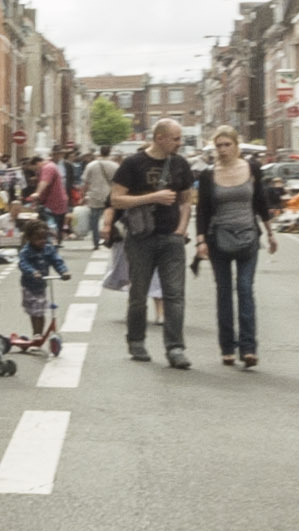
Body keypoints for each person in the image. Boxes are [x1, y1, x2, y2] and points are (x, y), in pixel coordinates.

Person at [111, 118, 196, 368]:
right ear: (160, 138)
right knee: (138, 293)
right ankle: (136, 340)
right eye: (176, 138)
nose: (180, 143)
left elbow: (186, 200)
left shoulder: (180, 164)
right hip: (140, 238)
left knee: (174, 295)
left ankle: (175, 348)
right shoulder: (133, 164)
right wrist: (153, 197)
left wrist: (181, 229)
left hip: (172, 237)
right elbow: (116, 200)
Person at [195, 126, 278, 368]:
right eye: (218, 146)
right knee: (223, 292)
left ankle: (249, 348)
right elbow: (202, 210)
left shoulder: (251, 168)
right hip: (218, 238)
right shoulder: (208, 175)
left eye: (226, 145)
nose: (222, 150)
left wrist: (271, 234)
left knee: (244, 289)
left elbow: (261, 202)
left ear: (236, 145)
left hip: (248, 236)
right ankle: (228, 348)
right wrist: (200, 240)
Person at [15, 220, 71, 339]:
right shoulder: (26, 252)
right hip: (29, 286)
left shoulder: (49, 249)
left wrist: (63, 271)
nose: (42, 241)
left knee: (40, 310)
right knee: (34, 311)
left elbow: (56, 261)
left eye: (44, 238)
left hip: (41, 286)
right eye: (38, 238)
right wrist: (33, 272)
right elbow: (23, 264)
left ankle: (38, 334)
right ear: (29, 238)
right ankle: (37, 333)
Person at [24, 154, 69, 243]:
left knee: (51, 225)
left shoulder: (48, 168)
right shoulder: (50, 166)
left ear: (37, 163)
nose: (36, 171)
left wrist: (37, 193)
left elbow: (45, 182)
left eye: (35, 168)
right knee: (55, 226)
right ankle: (55, 242)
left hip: (54, 203)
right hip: (53, 202)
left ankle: (52, 244)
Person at [81, 152, 121, 249]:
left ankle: (96, 242)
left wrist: (82, 196)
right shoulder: (115, 165)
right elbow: (119, 182)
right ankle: (108, 239)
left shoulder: (91, 165)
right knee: (110, 218)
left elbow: (85, 182)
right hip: (110, 195)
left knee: (94, 220)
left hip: (94, 196)